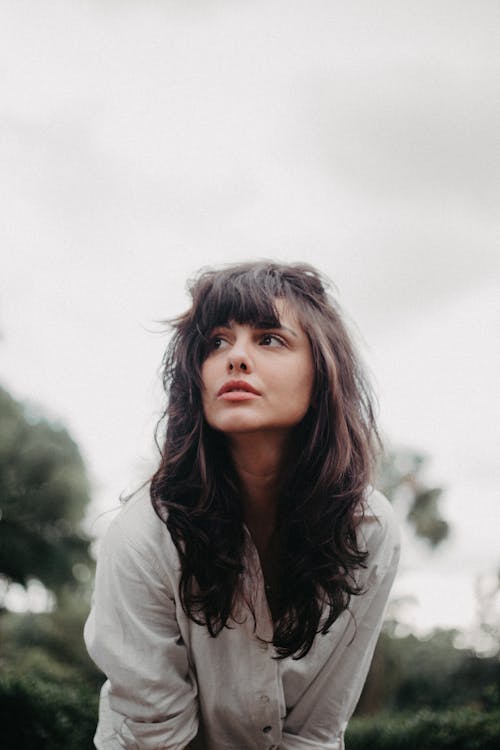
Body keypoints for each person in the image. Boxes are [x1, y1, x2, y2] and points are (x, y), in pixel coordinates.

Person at [84, 261, 400, 750]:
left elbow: (316, 732)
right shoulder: (145, 534)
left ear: (323, 371)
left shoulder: (368, 528)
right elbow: (155, 738)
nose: (236, 358)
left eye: (270, 338)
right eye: (217, 342)